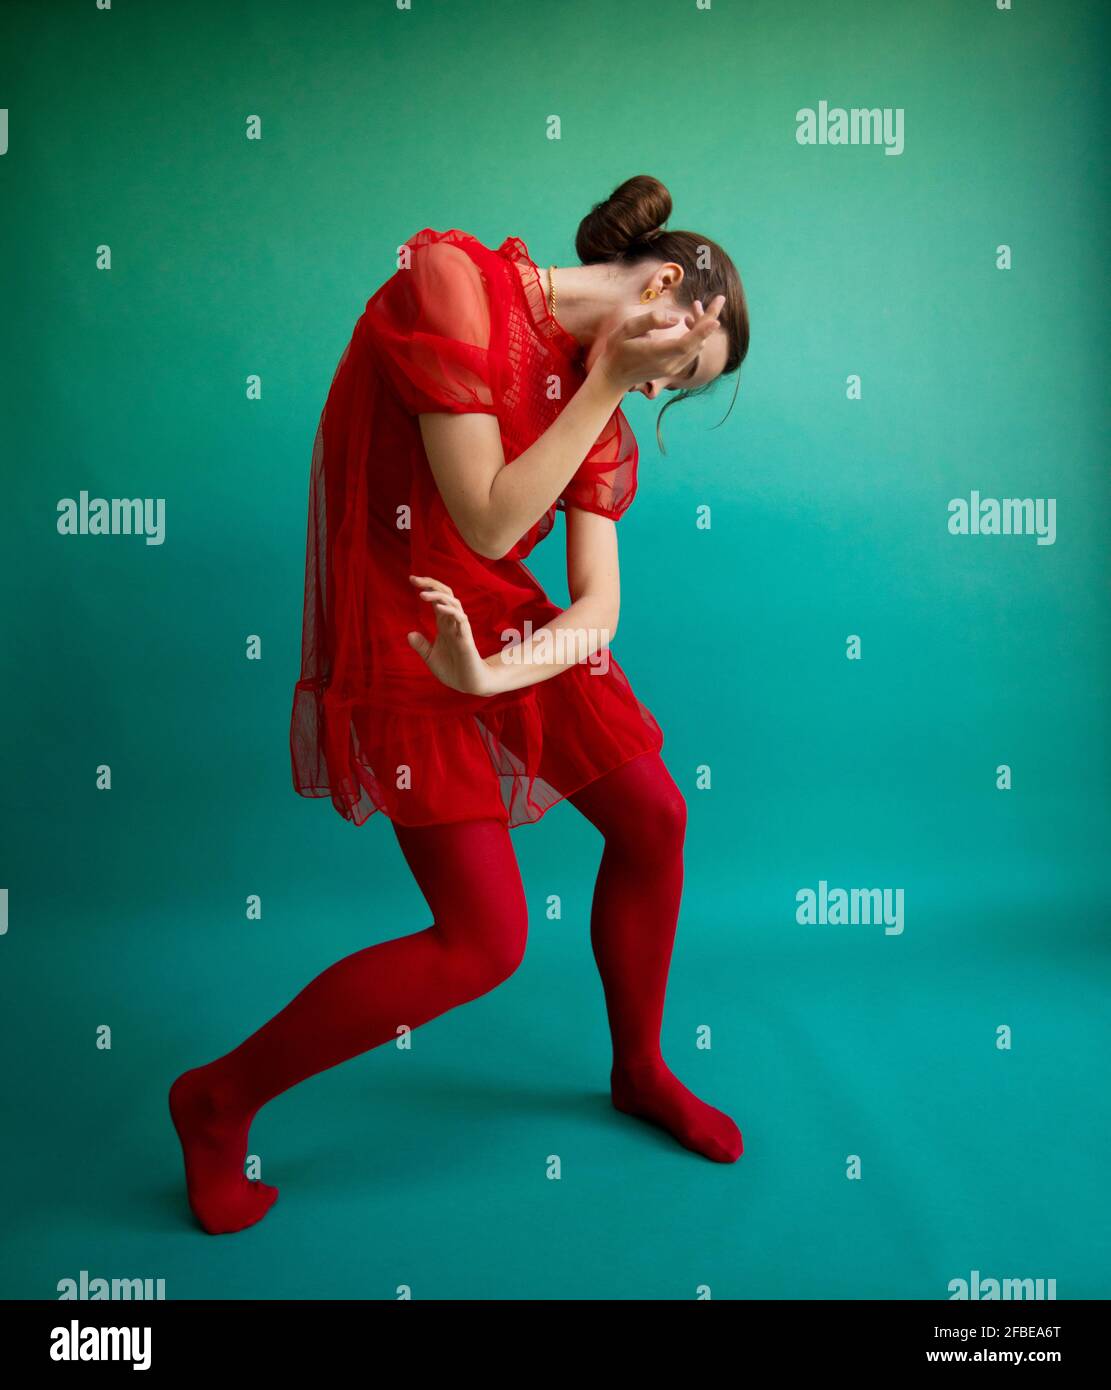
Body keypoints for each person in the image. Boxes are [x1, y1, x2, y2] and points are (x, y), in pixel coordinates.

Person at [170, 174, 751, 1234]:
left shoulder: (599, 399)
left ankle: (638, 1067)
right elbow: (484, 520)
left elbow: (598, 604)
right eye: (681, 364)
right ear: (665, 289)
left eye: (675, 383)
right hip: (403, 616)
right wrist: (611, 383)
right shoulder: (451, 283)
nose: (661, 388)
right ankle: (215, 1099)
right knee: (483, 942)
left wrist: (494, 674)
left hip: (489, 621)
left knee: (656, 816)